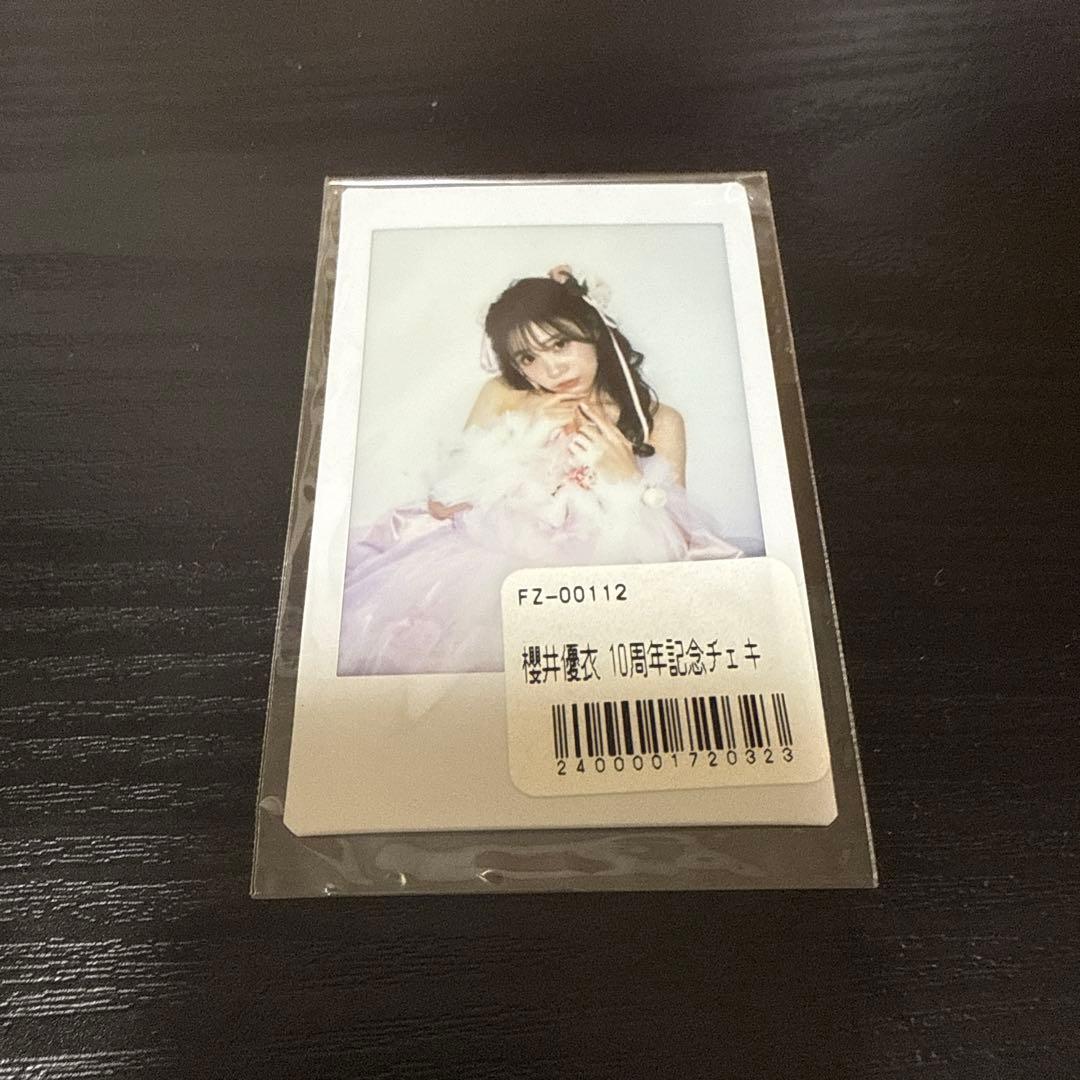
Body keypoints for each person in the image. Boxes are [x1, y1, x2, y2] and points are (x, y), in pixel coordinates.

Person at [338, 266, 743, 676]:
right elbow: (442, 504)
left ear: (594, 331)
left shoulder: (658, 421)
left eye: (560, 344)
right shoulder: (504, 395)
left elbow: (676, 547)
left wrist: (628, 480)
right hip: (490, 571)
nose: (552, 369)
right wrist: (520, 434)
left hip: (605, 581)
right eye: (529, 358)